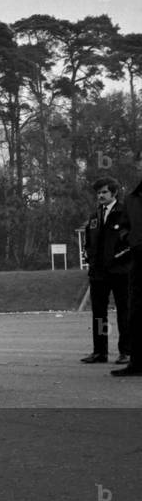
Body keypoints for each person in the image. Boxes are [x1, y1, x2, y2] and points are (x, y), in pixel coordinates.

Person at [81, 177, 131, 364]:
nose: (100, 196)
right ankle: (99, 352)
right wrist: (89, 256)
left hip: (120, 271)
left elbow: (132, 240)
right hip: (98, 273)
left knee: (124, 311)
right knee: (99, 313)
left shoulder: (125, 213)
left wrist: (121, 257)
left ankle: (126, 351)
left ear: (114, 193)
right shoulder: (95, 216)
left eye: (104, 192)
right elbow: (89, 240)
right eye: (98, 193)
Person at [112, 151, 142, 377]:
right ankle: (137, 363)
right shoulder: (132, 198)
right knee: (136, 311)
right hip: (138, 260)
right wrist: (128, 238)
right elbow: (123, 226)